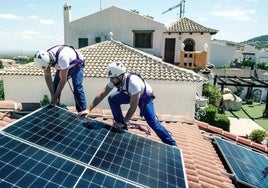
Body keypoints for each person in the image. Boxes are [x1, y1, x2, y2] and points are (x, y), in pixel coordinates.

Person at [79, 61, 176, 146]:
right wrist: (89, 109)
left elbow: (133, 107)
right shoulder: (116, 79)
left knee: (152, 122)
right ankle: (121, 124)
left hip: (144, 97)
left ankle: (171, 143)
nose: (111, 80)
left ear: (120, 75)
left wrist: (124, 121)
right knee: (112, 98)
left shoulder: (133, 83)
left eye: (113, 78)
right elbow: (102, 93)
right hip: (129, 93)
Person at [34, 45, 87, 112]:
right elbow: (47, 77)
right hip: (63, 65)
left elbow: (63, 80)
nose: (49, 67)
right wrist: (53, 95)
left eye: (49, 65)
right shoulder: (44, 59)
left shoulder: (62, 58)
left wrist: (55, 96)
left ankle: (82, 111)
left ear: (50, 61)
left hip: (76, 64)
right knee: (55, 85)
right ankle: (55, 108)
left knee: (77, 86)